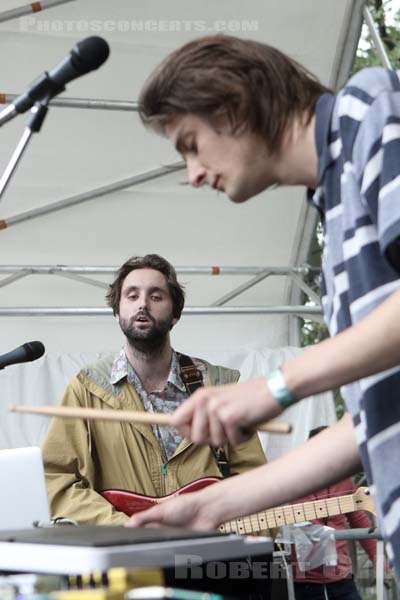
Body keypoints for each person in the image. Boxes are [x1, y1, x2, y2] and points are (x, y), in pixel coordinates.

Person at [127, 34, 400, 584]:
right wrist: (213, 506)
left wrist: (275, 386)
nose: (193, 173)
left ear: (233, 102)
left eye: (190, 142)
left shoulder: (370, 106)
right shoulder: (336, 215)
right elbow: (369, 421)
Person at [41, 254, 269, 525]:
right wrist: (124, 529)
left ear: (175, 315)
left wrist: (237, 539)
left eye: (156, 296)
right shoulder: (86, 390)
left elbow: (256, 483)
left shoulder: (219, 387)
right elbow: (54, 480)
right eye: (132, 296)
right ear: (117, 312)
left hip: (206, 561)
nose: (143, 305)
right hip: (126, 560)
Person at [291, 428, 380, 600]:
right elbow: (298, 526)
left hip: (342, 577)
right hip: (305, 581)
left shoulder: (345, 482)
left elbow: (360, 522)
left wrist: (379, 560)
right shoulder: (295, 483)